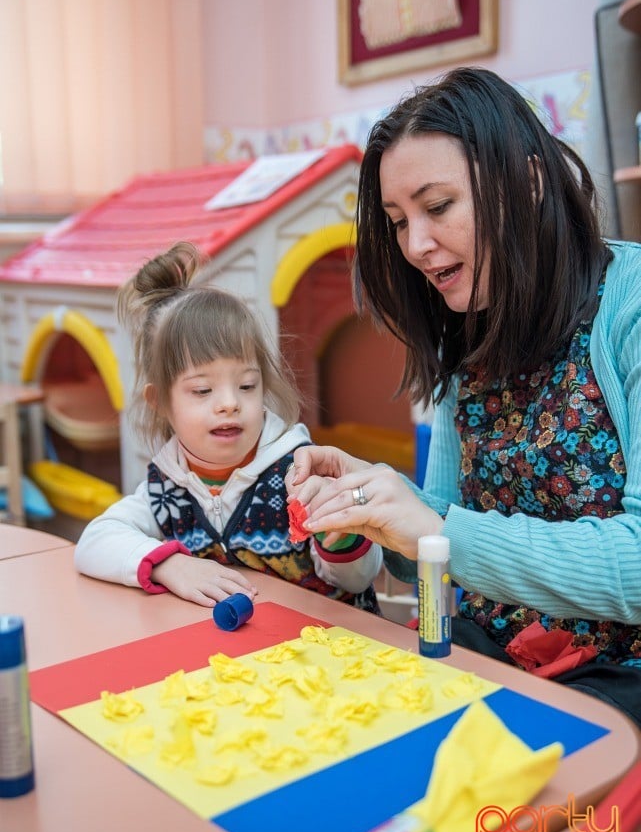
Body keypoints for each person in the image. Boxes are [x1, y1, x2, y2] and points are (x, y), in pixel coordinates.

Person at [285, 66, 641, 726]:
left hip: (620, 676)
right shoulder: (467, 337)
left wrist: (436, 528)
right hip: (490, 652)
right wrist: (370, 504)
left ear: (527, 183)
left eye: (438, 206)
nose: (416, 246)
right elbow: (438, 544)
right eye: (398, 221)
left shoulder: (631, 306)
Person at [74, 242, 382, 611]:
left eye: (246, 386)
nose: (229, 403)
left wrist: (342, 537)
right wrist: (170, 565)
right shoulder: (167, 487)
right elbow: (94, 542)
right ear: (161, 402)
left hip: (327, 639)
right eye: (203, 390)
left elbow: (357, 580)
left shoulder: (299, 470)